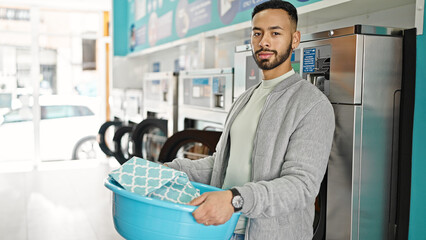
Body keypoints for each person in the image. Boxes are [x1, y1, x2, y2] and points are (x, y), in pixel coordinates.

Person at [166, 1, 335, 239]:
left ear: (295, 39)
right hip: (223, 230)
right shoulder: (245, 99)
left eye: (275, 33)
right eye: (258, 33)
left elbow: (301, 187)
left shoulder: (312, 105)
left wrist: (234, 199)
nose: (264, 41)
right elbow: (221, 165)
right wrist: (172, 170)